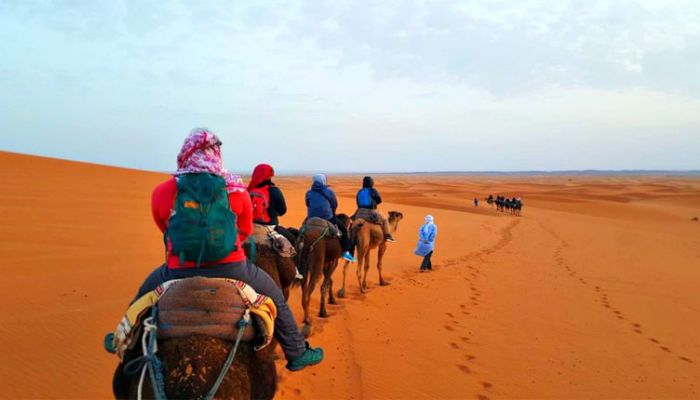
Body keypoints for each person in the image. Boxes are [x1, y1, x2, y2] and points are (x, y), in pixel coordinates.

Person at [133, 128, 323, 372]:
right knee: (276, 296)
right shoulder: (235, 189)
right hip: (233, 267)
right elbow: (244, 231)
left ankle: (124, 338)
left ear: (184, 154)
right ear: (217, 154)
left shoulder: (162, 191)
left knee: (142, 296)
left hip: (177, 269)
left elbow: (164, 227)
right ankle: (296, 352)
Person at [305, 174, 356, 262]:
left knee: (302, 230)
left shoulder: (308, 193)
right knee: (343, 230)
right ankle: (346, 252)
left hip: (311, 217)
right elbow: (334, 204)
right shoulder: (329, 192)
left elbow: (307, 204)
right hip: (327, 217)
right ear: (324, 181)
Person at [247, 163, 295, 244]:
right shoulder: (274, 191)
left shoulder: (249, 191)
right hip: (271, 227)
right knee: (293, 240)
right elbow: (283, 211)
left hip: (250, 227)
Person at [355, 176, 395, 242]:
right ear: (371, 183)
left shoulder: (359, 191)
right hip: (371, 212)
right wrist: (374, 203)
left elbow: (357, 201)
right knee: (385, 220)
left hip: (359, 212)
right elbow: (379, 200)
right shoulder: (373, 190)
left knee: (351, 223)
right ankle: (388, 236)